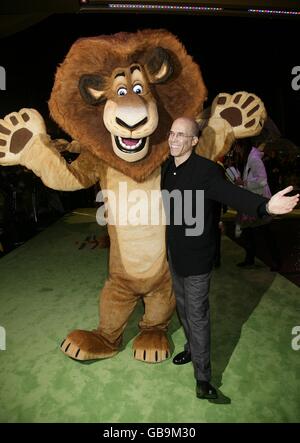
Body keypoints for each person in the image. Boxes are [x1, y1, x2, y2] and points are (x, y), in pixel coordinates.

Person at [161, 117, 299, 400]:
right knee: (184, 310)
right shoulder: (167, 168)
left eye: (181, 135)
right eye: (171, 134)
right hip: (174, 253)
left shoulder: (207, 171)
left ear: (194, 141)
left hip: (198, 258)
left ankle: (203, 379)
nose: (173, 139)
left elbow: (233, 194)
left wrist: (265, 205)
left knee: (198, 317)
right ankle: (190, 348)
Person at [232, 139, 281, 270]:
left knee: (265, 232)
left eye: (235, 146)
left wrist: (243, 183)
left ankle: (275, 261)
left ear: (240, 146)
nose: (234, 150)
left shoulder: (253, 159)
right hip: (253, 201)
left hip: (259, 201)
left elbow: (262, 181)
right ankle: (251, 259)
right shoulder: (248, 158)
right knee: (251, 231)